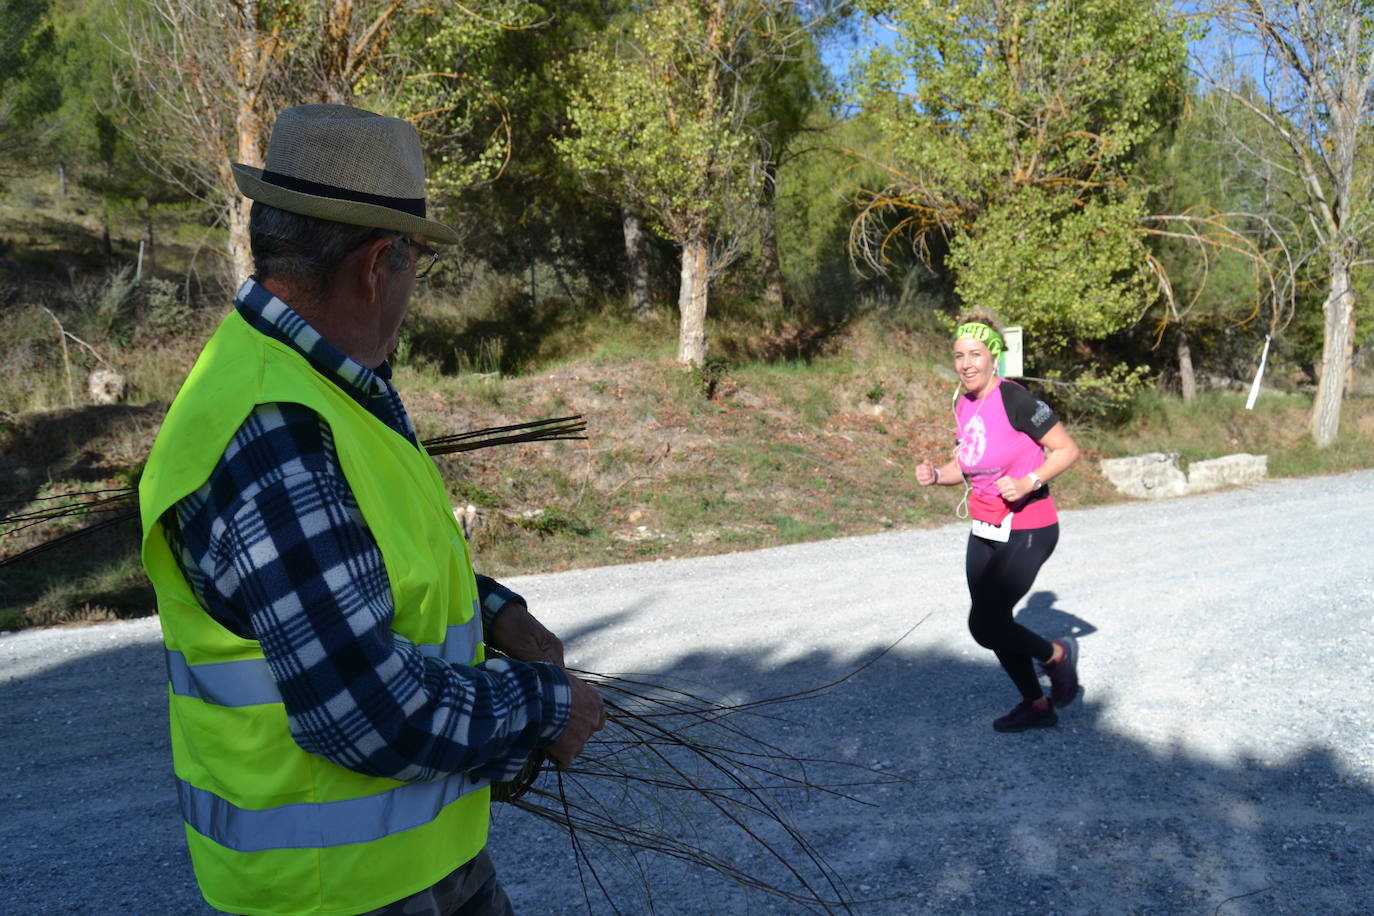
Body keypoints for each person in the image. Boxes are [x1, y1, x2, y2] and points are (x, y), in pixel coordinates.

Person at [138, 104, 604, 916]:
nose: (413, 290)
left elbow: (373, 559)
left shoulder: (322, 383)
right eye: (416, 262)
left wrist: (492, 612)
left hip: (416, 868)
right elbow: (363, 712)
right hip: (338, 894)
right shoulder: (270, 428)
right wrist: (544, 707)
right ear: (378, 260)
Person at [915, 311, 1081, 732]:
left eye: (975, 354)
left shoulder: (1017, 399)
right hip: (985, 527)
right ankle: (1037, 705)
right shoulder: (963, 403)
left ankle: (1056, 655)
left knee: (985, 623)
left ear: (993, 358)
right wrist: (938, 476)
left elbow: (1066, 450)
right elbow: (965, 465)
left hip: (1030, 527)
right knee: (995, 623)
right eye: (958, 355)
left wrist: (1029, 481)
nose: (966, 363)